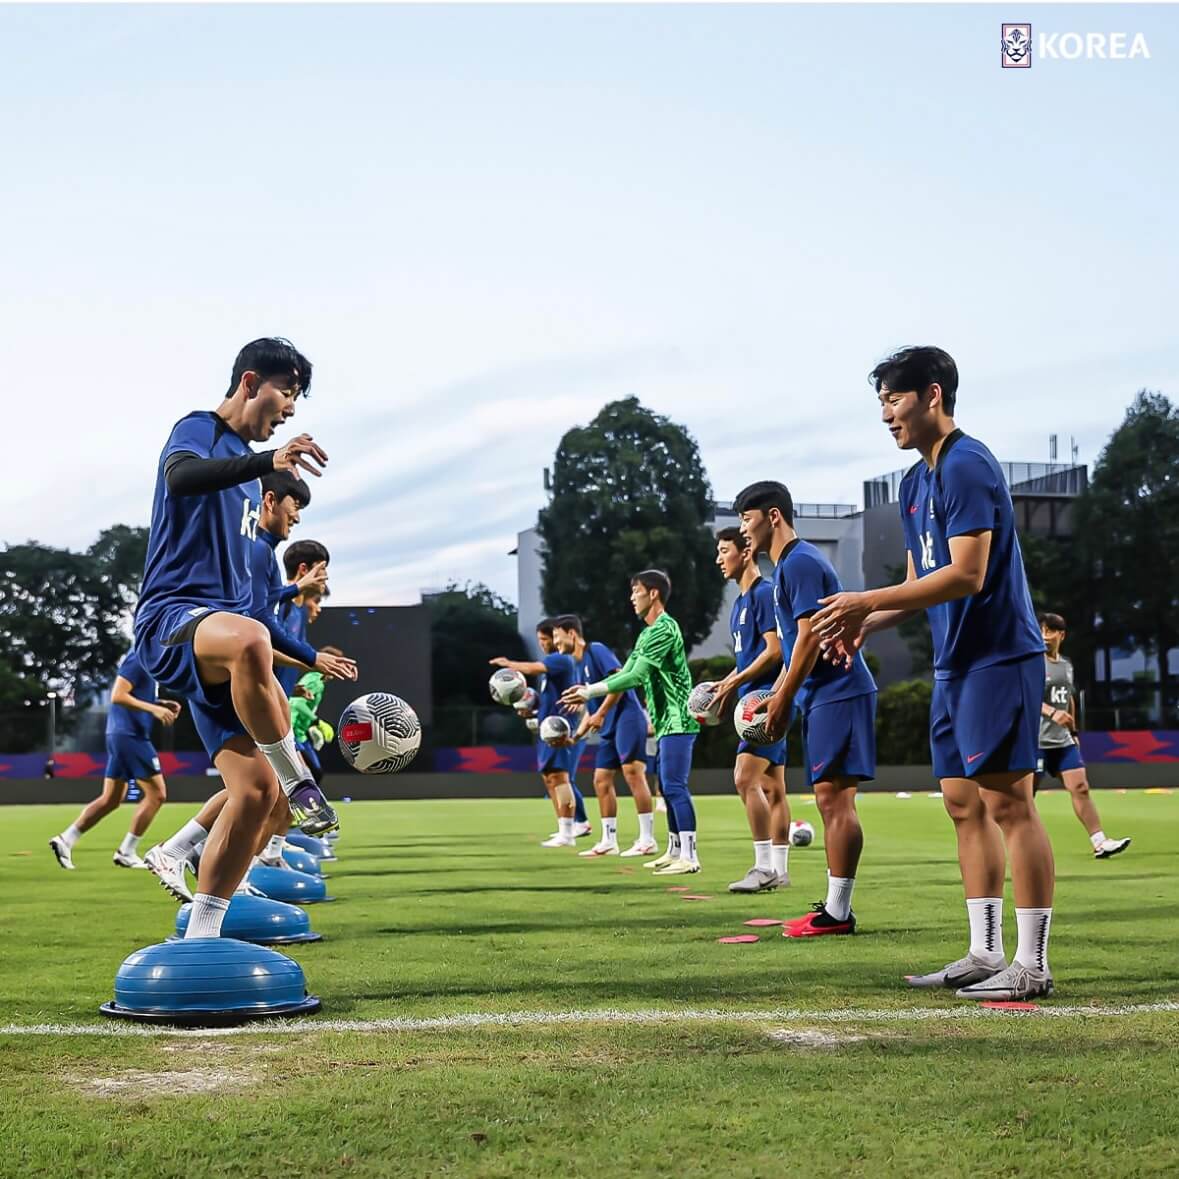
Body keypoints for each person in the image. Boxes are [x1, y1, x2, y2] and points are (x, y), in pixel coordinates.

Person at [812, 345, 1055, 999]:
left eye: (893, 400)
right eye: (881, 403)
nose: (885, 414)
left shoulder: (968, 463)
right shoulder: (914, 481)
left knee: (1009, 804)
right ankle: (984, 951)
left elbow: (969, 573)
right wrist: (871, 620)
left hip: (999, 655)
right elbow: (922, 577)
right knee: (960, 804)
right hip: (953, 665)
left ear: (931, 396)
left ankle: (1031, 965)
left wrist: (865, 599)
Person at [134, 337, 356, 937]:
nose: (289, 409)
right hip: (173, 621)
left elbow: (246, 596)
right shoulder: (199, 429)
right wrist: (269, 462)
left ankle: (203, 931)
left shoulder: (249, 484)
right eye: (286, 393)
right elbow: (181, 479)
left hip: (221, 647)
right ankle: (299, 777)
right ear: (250, 381)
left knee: (252, 794)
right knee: (254, 639)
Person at [735, 483, 878, 936]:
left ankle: (837, 913)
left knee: (834, 798)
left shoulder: (798, 562)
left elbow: (811, 638)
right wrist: (776, 694)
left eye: (747, 520)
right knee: (828, 798)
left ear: (773, 516)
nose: (743, 532)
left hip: (840, 691)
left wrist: (779, 699)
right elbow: (799, 645)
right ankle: (835, 910)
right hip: (824, 694)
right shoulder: (789, 569)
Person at [562, 571, 700, 876]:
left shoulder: (663, 629)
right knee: (665, 785)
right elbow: (626, 671)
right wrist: (591, 693)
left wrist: (591, 690)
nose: (631, 598)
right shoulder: (647, 633)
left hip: (679, 719)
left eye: (636, 591)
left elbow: (634, 678)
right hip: (665, 722)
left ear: (653, 594)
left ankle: (690, 856)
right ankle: (674, 850)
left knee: (674, 786)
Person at [707, 528, 790, 893]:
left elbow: (774, 651)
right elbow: (746, 659)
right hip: (756, 699)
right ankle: (781, 870)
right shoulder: (740, 604)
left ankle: (762, 867)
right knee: (773, 788)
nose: (718, 559)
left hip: (767, 700)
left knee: (744, 778)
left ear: (745, 552)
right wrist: (722, 687)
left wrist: (735, 685)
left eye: (724, 551)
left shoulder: (763, 592)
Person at [49, 650, 181, 870]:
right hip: (130, 736)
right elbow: (118, 695)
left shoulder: (147, 660)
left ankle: (66, 839)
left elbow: (133, 694)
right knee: (157, 795)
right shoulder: (138, 657)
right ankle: (127, 852)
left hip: (122, 734)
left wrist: (160, 702)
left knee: (111, 798)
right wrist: (154, 709)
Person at [553, 614, 657, 858]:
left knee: (633, 774)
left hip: (628, 717)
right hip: (609, 723)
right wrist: (575, 738)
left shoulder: (595, 650)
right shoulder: (577, 667)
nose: (556, 642)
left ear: (572, 634)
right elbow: (589, 713)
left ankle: (647, 839)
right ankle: (609, 840)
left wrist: (600, 713)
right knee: (601, 779)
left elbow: (619, 678)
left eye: (558, 636)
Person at [1037, 613, 1130, 860]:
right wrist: (1051, 712)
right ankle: (996, 842)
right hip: (1033, 742)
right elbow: (1023, 696)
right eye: (1042, 631)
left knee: (1080, 787)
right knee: (1022, 799)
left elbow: (1069, 699)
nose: (1045, 636)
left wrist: (1073, 731)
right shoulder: (1032, 662)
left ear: (1061, 635)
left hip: (1062, 741)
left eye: (1050, 631)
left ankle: (1100, 842)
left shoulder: (1066, 666)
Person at [490, 620, 583, 847]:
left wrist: (509, 665)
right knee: (550, 778)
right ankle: (563, 827)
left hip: (558, 728)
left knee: (560, 778)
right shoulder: (552, 666)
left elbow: (533, 668)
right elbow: (549, 697)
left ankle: (568, 832)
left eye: (545, 639)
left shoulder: (559, 659)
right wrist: (532, 709)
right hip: (545, 728)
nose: (542, 644)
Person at [277, 538, 331, 697]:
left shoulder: (300, 611)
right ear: (303, 569)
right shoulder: (279, 604)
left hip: (280, 700)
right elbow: (264, 651)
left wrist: (290, 689)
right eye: (323, 568)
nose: (326, 575)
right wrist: (311, 662)